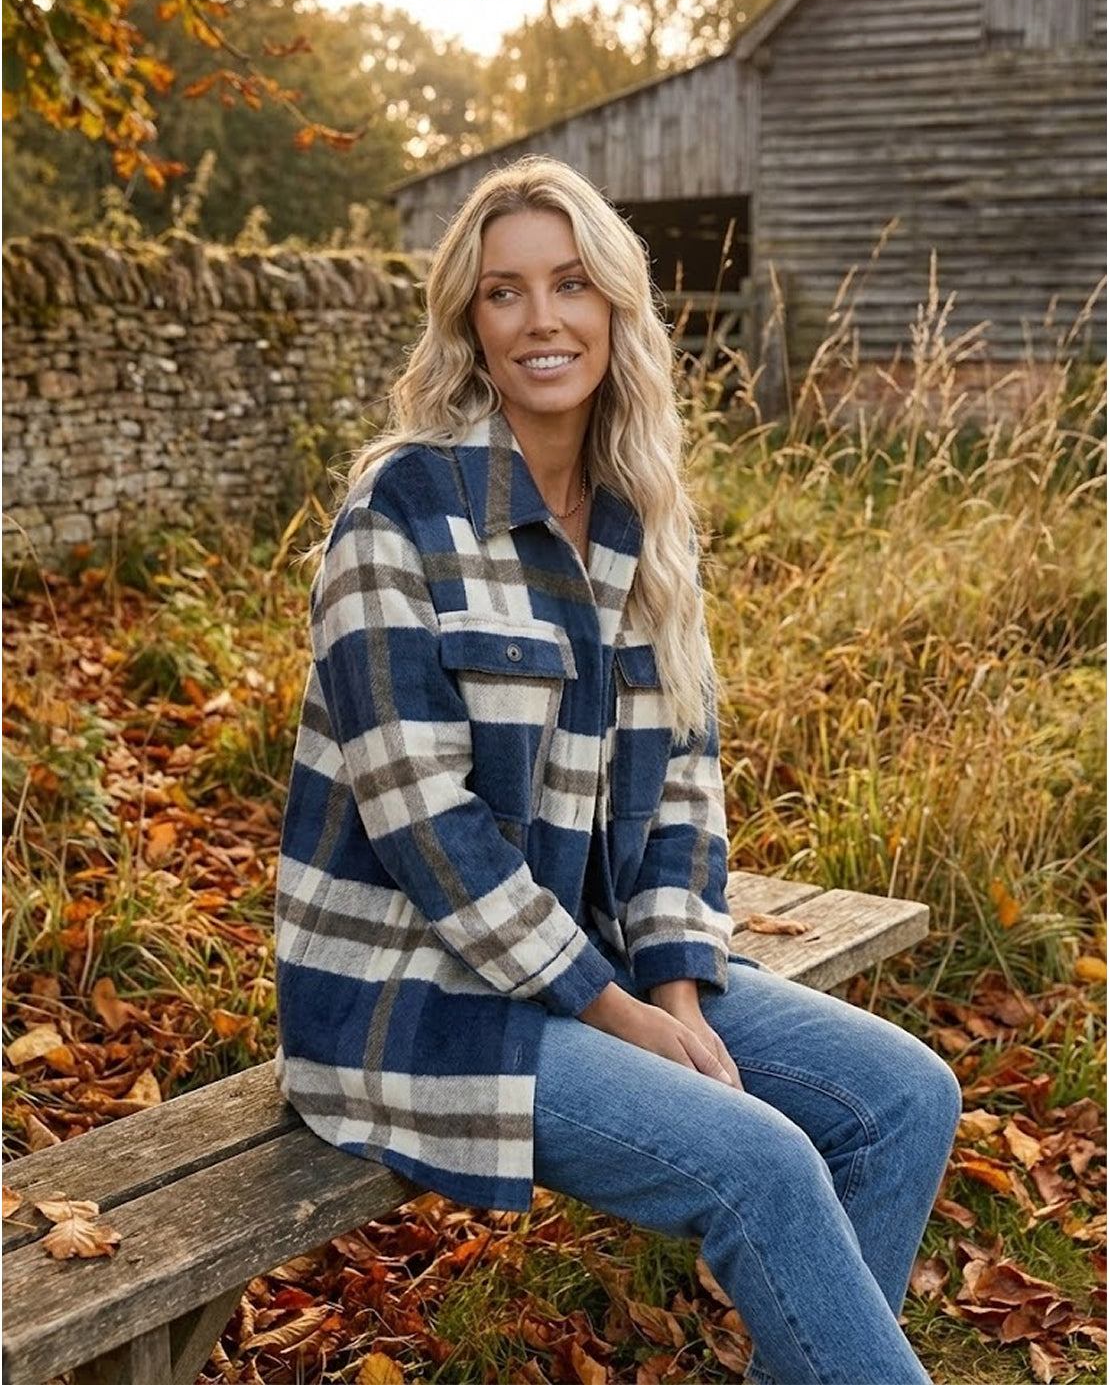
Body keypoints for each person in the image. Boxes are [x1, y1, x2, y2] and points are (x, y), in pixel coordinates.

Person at [273, 154, 962, 1384]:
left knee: (908, 1097)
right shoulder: (399, 512)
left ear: (616, 310)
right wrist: (618, 1009)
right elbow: (427, 826)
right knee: (764, 1165)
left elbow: (686, 786)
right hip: (411, 996)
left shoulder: (641, 514)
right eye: (506, 292)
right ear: (470, 328)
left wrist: (681, 991)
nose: (543, 318)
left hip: (592, 963)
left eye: (573, 284)